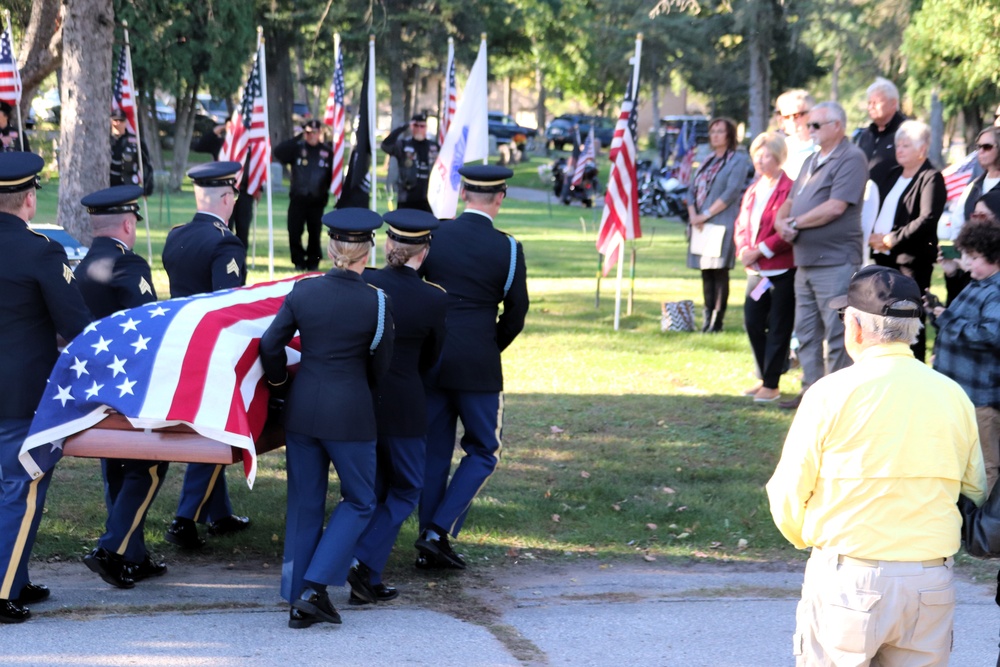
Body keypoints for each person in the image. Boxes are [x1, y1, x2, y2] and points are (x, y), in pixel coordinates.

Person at [766, 264, 986, 666]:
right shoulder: (953, 395)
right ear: (913, 329)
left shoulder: (830, 394)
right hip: (929, 578)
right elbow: (975, 489)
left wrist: (808, 540)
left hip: (849, 574)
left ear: (855, 327)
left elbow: (787, 493)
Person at [259, 208, 394, 628]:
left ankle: (297, 595)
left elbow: (270, 344)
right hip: (350, 414)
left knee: (304, 503)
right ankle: (314, 588)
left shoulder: (303, 292)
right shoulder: (376, 301)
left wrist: (280, 382)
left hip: (303, 410)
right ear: (366, 251)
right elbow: (381, 368)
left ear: (331, 248)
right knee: (359, 499)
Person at [416, 165, 528, 570]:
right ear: (501, 197)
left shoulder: (435, 236)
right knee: (484, 450)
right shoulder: (509, 248)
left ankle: (429, 538)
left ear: (463, 193)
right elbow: (516, 314)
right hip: (478, 362)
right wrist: (488, 346)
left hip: (432, 358)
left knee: (433, 452)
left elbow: (415, 291)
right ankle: (436, 532)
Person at [0, 152, 92, 623]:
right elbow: (75, 324)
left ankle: (14, 575)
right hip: (18, 395)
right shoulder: (40, 251)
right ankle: (2, 591)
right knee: (22, 487)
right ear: (30, 198)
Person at [350, 208, 447, 605]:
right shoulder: (433, 298)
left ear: (389, 244)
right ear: (424, 252)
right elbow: (433, 360)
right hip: (406, 405)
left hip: (363, 401)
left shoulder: (367, 283)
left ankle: (369, 578)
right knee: (407, 489)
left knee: (372, 491)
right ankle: (361, 560)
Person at [75, 185, 166, 589]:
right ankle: (110, 550)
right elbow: (149, 323)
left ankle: (135, 556)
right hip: (131, 384)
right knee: (149, 467)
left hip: (95, 384)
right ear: (128, 223)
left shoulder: (81, 266)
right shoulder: (129, 264)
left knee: (115, 466)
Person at [161, 161, 249, 550]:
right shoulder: (224, 242)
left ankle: (220, 513)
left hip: (181, 342)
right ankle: (185, 519)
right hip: (211, 349)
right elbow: (225, 306)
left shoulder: (176, 236)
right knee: (216, 431)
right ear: (227, 198)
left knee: (209, 427)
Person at [775, 101, 868, 410]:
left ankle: (837, 399)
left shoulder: (851, 158)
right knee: (806, 331)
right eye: (808, 124)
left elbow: (835, 207)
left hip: (835, 260)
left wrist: (794, 224)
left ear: (837, 127)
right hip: (805, 259)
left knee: (837, 331)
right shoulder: (811, 160)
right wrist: (780, 222)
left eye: (815, 125)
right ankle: (810, 393)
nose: (808, 129)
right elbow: (790, 200)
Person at [928, 217, 1000, 495]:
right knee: (963, 459)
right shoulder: (979, 283)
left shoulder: (995, 290)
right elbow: (959, 324)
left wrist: (947, 320)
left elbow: (992, 334)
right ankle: (969, 518)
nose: (967, 263)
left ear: (994, 255)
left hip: (981, 398)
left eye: (973, 257)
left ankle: (988, 529)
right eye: (965, 256)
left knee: (987, 464)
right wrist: (938, 314)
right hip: (962, 393)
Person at [866, 119, 946, 362]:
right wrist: (874, 236)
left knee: (908, 319)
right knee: (883, 317)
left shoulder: (930, 177)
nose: (899, 149)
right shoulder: (892, 174)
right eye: (898, 144)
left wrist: (892, 238)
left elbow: (927, 219)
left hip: (910, 262)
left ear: (922, 149)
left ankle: (914, 367)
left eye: (906, 145)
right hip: (882, 256)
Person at [734, 132, 795, 403]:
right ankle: (763, 375)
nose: (760, 160)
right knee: (753, 321)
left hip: (781, 271)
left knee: (779, 326)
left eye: (767, 154)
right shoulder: (753, 189)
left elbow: (788, 229)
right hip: (758, 274)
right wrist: (744, 250)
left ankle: (771, 384)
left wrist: (761, 250)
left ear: (779, 157)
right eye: (757, 154)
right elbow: (741, 225)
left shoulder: (790, 188)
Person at [685, 117, 750, 333]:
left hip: (720, 221)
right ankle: (706, 319)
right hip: (700, 223)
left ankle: (717, 322)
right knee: (706, 271)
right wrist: (694, 214)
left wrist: (705, 214)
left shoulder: (737, 160)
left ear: (729, 135)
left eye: (720, 131)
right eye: (712, 131)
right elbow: (691, 189)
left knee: (719, 271)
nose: (715, 135)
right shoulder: (706, 160)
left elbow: (731, 192)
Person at [273, 120, 333, 270]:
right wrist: (297, 136)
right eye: (308, 132)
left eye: (314, 132)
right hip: (298, 198)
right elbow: (278, 152)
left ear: (320, 133)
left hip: (317, 200)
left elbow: (333, 176)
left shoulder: (327, 152)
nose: (311, 136)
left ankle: (314, 262)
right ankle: (298, 261)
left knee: (315, 233)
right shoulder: (297, 149)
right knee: (294, 231)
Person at [191, 122, 257, 248]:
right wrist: (218, 129)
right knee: (224, 226)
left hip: (244, 192)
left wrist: (258, 187)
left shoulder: (247, 145)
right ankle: (223, 253)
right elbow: (200, 146)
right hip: (222, 192)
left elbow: (255, 167)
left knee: (243, 227)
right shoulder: (221, 144)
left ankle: (240, 259)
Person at [854, 77, 906, 196]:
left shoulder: (906, 132)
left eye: (875, 103)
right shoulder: (866, 135)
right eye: (869, 103)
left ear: (893, 103)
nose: (870, 107)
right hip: (864, 202)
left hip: (895, 202)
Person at [948, 126, 1000, 244]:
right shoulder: (973, 186)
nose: (981, 151)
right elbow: (957, 226)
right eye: (978, 147)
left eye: (987, 147)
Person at [381, 112, 439, 213]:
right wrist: (403, 127)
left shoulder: (434, 147)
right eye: (416, 126)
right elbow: (386, 145)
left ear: (426, 127)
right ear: (412, 127)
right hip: (407, 198)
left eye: (422, 126)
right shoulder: (404, 145)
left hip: (427, 199)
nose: (419, 129)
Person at [110, 108, 153, 197]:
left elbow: (146, 165)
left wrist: (147, 187)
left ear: (126, 122)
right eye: (115, 120)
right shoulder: (103, 142)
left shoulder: (135, 142)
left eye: (121, 120)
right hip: (108, 188)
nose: (118, 123)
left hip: (128, 187)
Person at [773, 89, 815, 179]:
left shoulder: (823, 145)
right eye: (786, 116)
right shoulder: (778, 147)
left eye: (797, 115)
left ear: (812, 113)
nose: (792, 120)